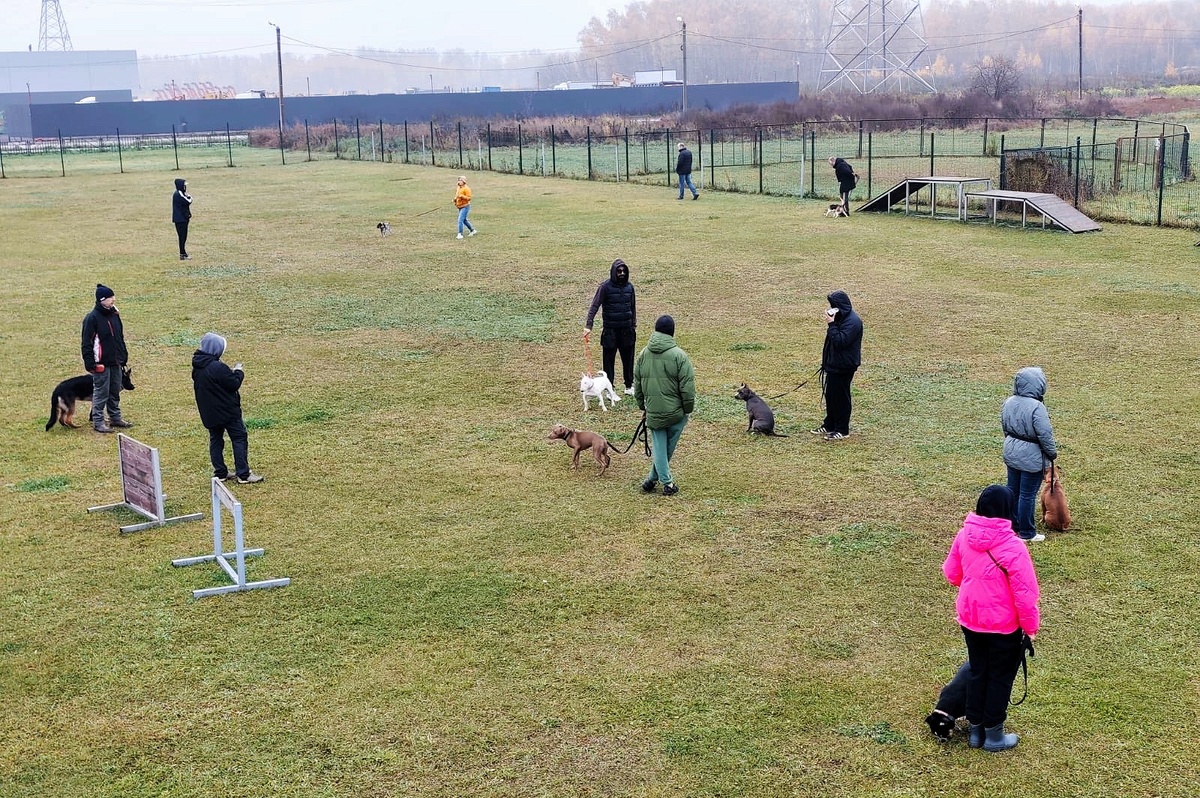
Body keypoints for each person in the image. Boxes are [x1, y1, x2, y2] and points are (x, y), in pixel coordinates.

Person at [943, 484, 1040, 752]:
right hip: (1003, 625)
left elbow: (952, 573)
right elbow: (1026, 594)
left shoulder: (964, 535)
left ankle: (975, 731)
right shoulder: (1013, 547)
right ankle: (994, 734)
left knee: (978, 671)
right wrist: (1030, 627)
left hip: (970, 618)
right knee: (999, 677)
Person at [633, 315, 695, 496]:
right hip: (676, 412)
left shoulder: (643, 353)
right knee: (666, 449)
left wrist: (642, 406)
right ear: (672, 332)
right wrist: (687, 409)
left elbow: (637, 383)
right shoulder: (680, 356)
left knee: (660, 447)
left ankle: (651, 479)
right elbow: (687, 388)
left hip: (653, 410)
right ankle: (667, 483)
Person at [191, 332, 264, 484]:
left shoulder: (198, 367)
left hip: (209, 413)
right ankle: (243, 475)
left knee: (216, 440)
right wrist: (238, 371)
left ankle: (220, 473)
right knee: (239, 438)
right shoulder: (217, 367)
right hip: (228, 412)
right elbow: (233, 383)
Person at [1001, 367, 1058, 543]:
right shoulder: (1037, 407)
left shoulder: (1009, 401)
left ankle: (1012, 527)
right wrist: (1052, 453)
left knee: (1013, 491)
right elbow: (1045, 434)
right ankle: (1027, 532)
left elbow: (1004, 425)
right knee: (1027, 494)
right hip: (1032, 457)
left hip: (1011, 451)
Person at [81, 283, 132, 433]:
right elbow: (86, 343)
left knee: (115, 390)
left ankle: (115, 418)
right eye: (110, 297)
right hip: (101, 363)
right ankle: (98, 421)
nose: (113, 299)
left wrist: (123, 356)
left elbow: (119, 337)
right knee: (101, 392)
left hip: (116, 361)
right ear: (101, 300)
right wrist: (90, 363)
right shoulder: (92, 319)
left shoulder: (115, 315)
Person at [812, 290, 863, 441]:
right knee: (831, 396)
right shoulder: (842, 318)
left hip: (844, 366)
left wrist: (831, 324)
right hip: (834, 365)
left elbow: (840, 342)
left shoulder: (853, 322)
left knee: (841, 397)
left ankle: (842, 429)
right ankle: (830, 424)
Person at [584, 258, 638, 396]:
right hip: (610, 331)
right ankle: (610, 389)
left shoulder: (629, 287)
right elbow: (594, 306)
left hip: (627, 330)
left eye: (624, 271)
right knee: (608, 362)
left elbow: (633, 307)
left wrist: (633, 325)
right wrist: (588, 325)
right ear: (613, 272)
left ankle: (628, 386)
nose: (621, 273)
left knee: (628, 360)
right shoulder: (605, 287)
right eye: (619, 271)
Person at [172, 178, 193, 260]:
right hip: (180, 219)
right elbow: (188, 201)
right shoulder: (179, 194)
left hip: (183, 218)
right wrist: (190, 197)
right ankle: (182, 254)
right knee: (182, 237)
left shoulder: (181, 193)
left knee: (183, 237)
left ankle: (183, 253)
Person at [454, 175, 476, 239]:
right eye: (458, 180)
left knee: (460, 220)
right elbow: (457, 194)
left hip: (465, 206)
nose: (459, 181)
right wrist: (455, 199)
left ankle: (460, 234)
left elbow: (469, 198)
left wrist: (462, 196)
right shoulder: (459, 188)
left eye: (460, 180)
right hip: (460, 206)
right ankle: (472, 230)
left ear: (463, 181)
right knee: (464, 220)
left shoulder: (466, 189)